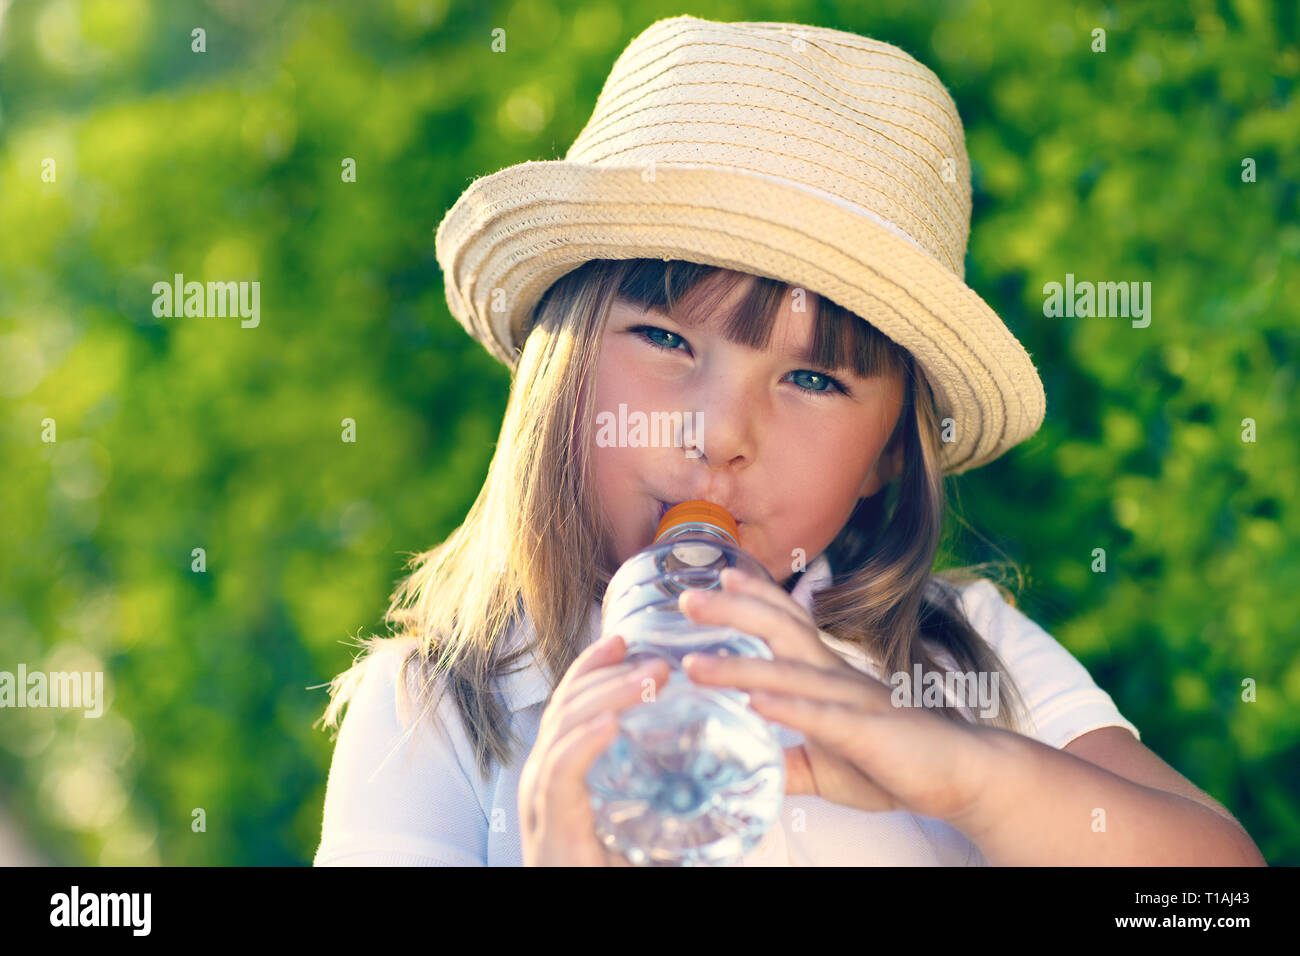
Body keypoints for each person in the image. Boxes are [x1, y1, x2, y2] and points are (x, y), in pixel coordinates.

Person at [312, 15, 1264, 866]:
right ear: (560, 368)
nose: (722, 435)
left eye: (813, 379)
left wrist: (967, 776)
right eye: (667, 337)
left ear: (890, 452)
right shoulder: (434, 713)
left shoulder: (959, 656)